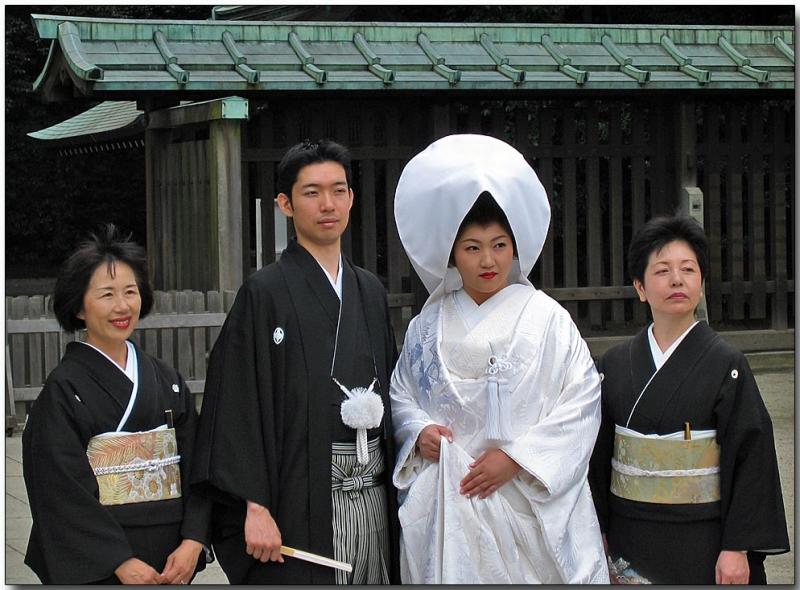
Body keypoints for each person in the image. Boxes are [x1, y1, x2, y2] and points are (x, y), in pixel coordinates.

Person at [389, 134, 609, 584]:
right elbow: (402, 394)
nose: (487, 260)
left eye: (499, 245)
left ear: (515, 248)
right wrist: (418, 434)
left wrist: (518, 461)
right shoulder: (425, 328)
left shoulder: (550, 320)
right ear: (453, 254)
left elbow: (581, 401)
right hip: (450, 496)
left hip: (525, 496)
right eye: (472, 247)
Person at [191, 139, 400, 584]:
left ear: (351, 198)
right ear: (285, 204)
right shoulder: (263, 292)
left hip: (372, 493)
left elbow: (396, 395)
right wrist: (254, 505)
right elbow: (236, 405)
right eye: (312, 192)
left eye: (339, 190)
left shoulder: (370, 290)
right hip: (298, 496)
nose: (328, 204)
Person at [589, 215, 790, 584]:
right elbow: (597, 457)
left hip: (705, 537)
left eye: (688, 269)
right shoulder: (614, 364)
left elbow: (751, 458)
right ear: (640, 287)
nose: (677, 280)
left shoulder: (727, 364)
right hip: (629, 534)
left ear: (701, 284)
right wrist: (596, 527)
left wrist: (737, 547)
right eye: (662, 270)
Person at [22, 224, 210, 584]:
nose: (122, 306)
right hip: (103, 564)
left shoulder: (166, 380)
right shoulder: (64, 389)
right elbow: (59, 489)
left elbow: (199, 465)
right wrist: (118, 561)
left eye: (130, 291)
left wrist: (193, 540)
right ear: (78, 306)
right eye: (106, 294)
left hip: (171, 558)